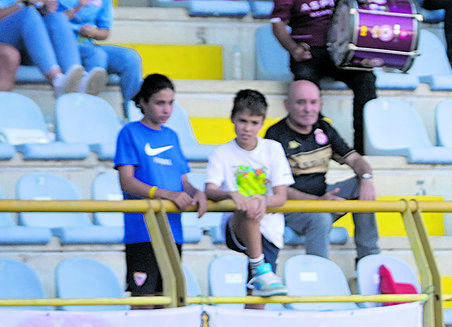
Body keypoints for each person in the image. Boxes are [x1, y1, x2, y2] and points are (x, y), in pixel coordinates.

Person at [264, 80, 380, 264]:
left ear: (320, 104)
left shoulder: (324, 129)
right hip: (290, 208)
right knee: (321, 217)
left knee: (361, 187)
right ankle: (319, 274)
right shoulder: (275, 136)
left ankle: (369, 260)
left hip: (323, 199)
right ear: (287, 105)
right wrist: (319, 202)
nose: (308, 108)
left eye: (313, 102)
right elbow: (277, 188)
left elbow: (356, 159)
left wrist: (366, 178)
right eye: (300, 102)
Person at [115, 73, 205, 302]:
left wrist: (198, 193)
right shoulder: (129, 132)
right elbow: (127, 181)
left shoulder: (172, 136)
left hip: (172, 230)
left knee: (169, 298)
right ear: (143, 103)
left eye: (170, 103)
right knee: (144, 300)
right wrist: (165, 195)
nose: (166, 109)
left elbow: (183, 180)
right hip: (143, 231)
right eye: (159, 102)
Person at [204, 88, 292, 299]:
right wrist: (231, 195)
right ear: (233, 119)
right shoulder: (221, 153)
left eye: (254, 123)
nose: (247, 128)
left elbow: (281, 197)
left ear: (262, 123)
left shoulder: (273, 149)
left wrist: (262, 199)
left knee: (258, 295)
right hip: (236, 225)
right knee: (248, 209)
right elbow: (210, 190)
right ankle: (259, 268)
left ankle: (258, 276)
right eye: (242, 121)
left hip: (270, 229)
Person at [271, 0, 378, 154]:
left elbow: (364, 10)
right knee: (305, 86)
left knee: (366, 80)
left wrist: (367, 51)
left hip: (343, 49)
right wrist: (294, 49)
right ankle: (319, 146)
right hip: (309, 52)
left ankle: (362, 149)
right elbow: (277, 23)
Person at [0, 0, 85, 94]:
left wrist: (44, 6)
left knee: (58, 17)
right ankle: (57, 79)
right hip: (5, 39)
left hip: (30, 45)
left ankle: (77, 78)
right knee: (28, 13)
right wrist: (24, 3)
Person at [64, 0, 139, 105]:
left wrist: (93, 32)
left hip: (88, 44)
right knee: (97, 55)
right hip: (63, 45)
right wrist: (78, 8)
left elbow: (105, 32)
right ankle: (83, 108)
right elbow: (51, 19)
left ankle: (133, 111)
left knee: (131, 58)